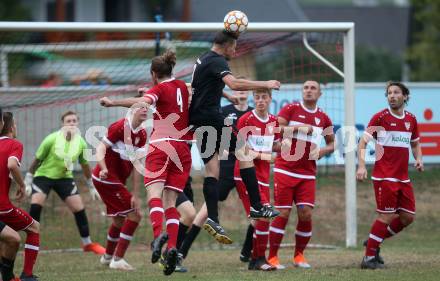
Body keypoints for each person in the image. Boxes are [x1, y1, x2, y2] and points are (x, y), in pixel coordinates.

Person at [100, 50, 191, 276]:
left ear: (153, 74)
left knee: (154, 198)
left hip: (161, 146)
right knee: (171, 204)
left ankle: (158, 235)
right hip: (182, 149)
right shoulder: (182, 85)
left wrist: (113, 102)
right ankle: (171, 249)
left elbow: (142, 102)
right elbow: (181, 94)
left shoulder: (158, 89)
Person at [189, 30, 281, 242]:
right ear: (226, 45)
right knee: (245, 153)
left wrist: (224, 95)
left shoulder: (203, 58)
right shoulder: (218, 60)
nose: (235, 50)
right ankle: (257, 206)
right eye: (234, 46)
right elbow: (235, 83)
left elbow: (202, 86)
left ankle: (212, 218)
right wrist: (265, 84)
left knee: (212, 169)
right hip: (212, 118)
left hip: (198, 120)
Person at [176, 89, 254, 272]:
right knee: (203, 211)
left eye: (244, 93)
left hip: (245, 168)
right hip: (227, 168)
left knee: (256, 210)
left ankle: (248, 252)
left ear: (248, 94)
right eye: (237, 92)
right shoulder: (223, 112)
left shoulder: (252, 114)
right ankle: (182, 251)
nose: (241, 95)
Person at [268, 80, 335, 269]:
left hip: (307, 174)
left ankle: (299, 256)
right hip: (285, 169)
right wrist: (298, 128)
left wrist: (323, 151)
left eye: (313, 88)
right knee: (283, 212)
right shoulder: (291, 109)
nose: (308, 91)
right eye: (305, 88)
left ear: (319, 94)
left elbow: (332, 143)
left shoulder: (323, 118)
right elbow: (275, 129)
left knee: (305, 213)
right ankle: (272, 257)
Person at [357, 81, 423, 270]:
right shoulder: (380, 117)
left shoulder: (411, 119)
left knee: (407, 217)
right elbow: (362, 143)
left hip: (403, 178)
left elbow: (415, 144)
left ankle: (372, 241)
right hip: (384, 176)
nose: (392, 96)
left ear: (405, 96)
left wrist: (419, 158)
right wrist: (361, 166)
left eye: (396, 92)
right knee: (386, 216)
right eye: (389, 93)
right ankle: (369, 259)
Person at [24, 111, 105, 255]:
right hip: (43, 176)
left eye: (74, 121)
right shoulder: (51, 139)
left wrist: (91, 186)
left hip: (65, 178)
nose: (72, 123)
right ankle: (31, 244)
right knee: (36, 206)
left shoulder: (81, 142)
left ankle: (87, 244)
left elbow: (85, 165)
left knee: (79, 209)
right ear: (63, 124)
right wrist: (28, 179)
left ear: (78, 123)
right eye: (68, 121)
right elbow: (37, 160)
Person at [93, 105, 148, 270]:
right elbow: (100, 148)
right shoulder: (120, 127)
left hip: (115, 181)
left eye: (147, 107)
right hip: (106, 178)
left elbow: (137, 165)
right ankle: (117, 259)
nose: (145, 110)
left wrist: (136, 194)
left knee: (119, 219)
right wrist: (103, 168)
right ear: (132, 111)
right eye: (141, 107)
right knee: (135, 216)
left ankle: (107, 257)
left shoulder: (143, 134)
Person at [234, 88, 281, 271]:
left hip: (262, 176)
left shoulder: (273, 121)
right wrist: (264, 156)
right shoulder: (246, 120)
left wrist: (282, 145)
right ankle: (258, 259)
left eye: (264, 97)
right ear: (254, 99)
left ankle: (254, 257)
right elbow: (240, 150)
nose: (260, 100)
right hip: (245, 175)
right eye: (257, 97)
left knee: (262, 218)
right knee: (262, 216)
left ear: (270, 99)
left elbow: (274, 144)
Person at [0, 111, 40, 281]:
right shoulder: (14, 144)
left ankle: (8, 277)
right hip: (2, 206)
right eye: (15, 124)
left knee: (9, 238)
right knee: (34, 228)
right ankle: (27, 275)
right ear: (11, 126)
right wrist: (22, 185)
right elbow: (11, 165)